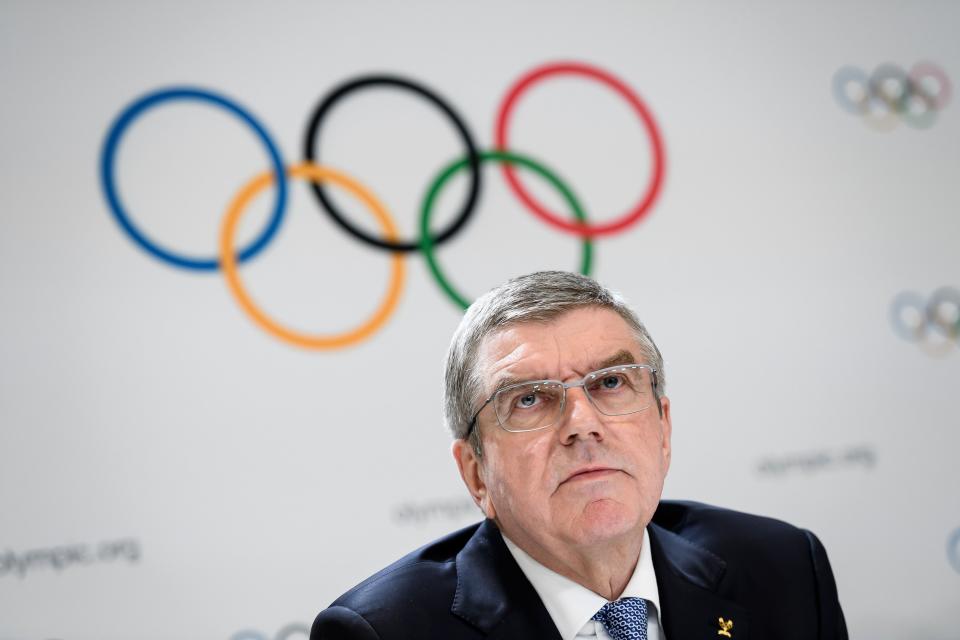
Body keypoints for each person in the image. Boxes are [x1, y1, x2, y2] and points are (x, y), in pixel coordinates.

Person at [311, 271, 848, 640]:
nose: (582, 424)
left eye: (611, 382)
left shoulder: (782, 567)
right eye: (528, 399)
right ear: (476, 474)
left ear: (663, 426)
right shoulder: (385, 632)